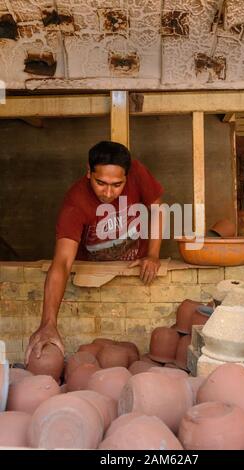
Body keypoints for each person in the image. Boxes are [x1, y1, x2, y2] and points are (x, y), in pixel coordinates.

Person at [25, 141, 164, 363]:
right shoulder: (75, 202)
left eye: (117, 185)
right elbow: (61, 263)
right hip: (93, 275)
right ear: (88, 173)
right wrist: (48, 324)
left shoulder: (137, 171)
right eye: (101, 183)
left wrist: (154, 255)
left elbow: (157, 207)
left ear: (127, 177)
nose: (108, 192)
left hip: (131, 268)